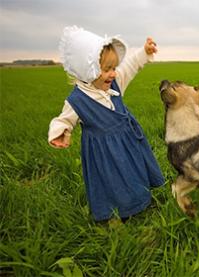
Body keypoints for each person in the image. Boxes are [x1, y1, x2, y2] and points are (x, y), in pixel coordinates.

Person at [48, 26, 165, 222]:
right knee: (111, 182)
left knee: (133, 172)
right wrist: (60, 132)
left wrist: (144, 52)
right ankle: (114, 214)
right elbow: (64, 119)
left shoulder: (115, 82)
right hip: (103, 153)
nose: (113, 73)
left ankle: (140, 201)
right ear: (88, 69)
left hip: (128, 142)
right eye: (106, 69)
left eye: (114, 68)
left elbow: (131, 66)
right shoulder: (77, 100)